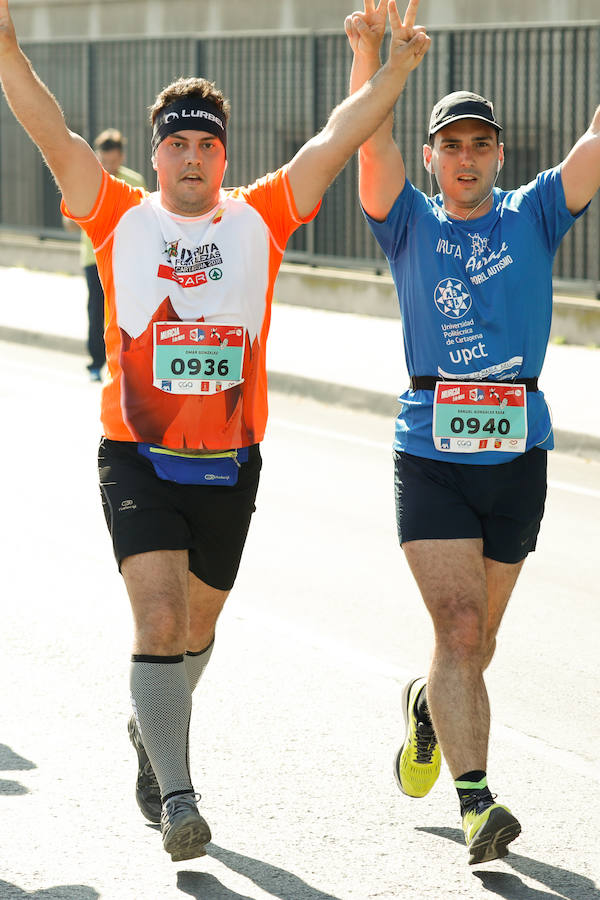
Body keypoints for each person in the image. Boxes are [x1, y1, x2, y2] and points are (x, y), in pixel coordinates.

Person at [0, 0, 431, 863]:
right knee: (157, 622)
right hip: (137, 456)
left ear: (222, 158)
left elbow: (335, 140)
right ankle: (179, 798)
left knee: (195, 633)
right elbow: (50, 130)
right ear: (155, 152)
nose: (191, 159)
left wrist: (391, 72)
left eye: (205, 146)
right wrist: (7, 47)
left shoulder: (258, 216)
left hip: (230, 464)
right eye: (176, 144)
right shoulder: (115, 213)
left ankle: (146, 724)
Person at [345, 0, 600, 866]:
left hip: (517, 452)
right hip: (431, 454)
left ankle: (427, 708)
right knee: (459, 629)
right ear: (432, 157)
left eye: (478, 143)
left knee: (476, 646)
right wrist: (379, 61)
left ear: (499, 154)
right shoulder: (408, 220)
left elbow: (596, 142)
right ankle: (477, 803)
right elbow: (366, 145)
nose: (464, 156)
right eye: (448, 144)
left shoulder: (534, 213)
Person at [63, 129, 145, 381]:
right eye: (103, 161)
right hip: (94, 258)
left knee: (128, 311)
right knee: (97, 310)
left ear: (120, 156)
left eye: (112, 160)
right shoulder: (88, 182)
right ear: (97, 157)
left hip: (127, 259)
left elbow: (144, 220)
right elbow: (69, 224)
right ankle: (96, 364)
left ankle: (127, 361)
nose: (108, 166)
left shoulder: (135, 181)